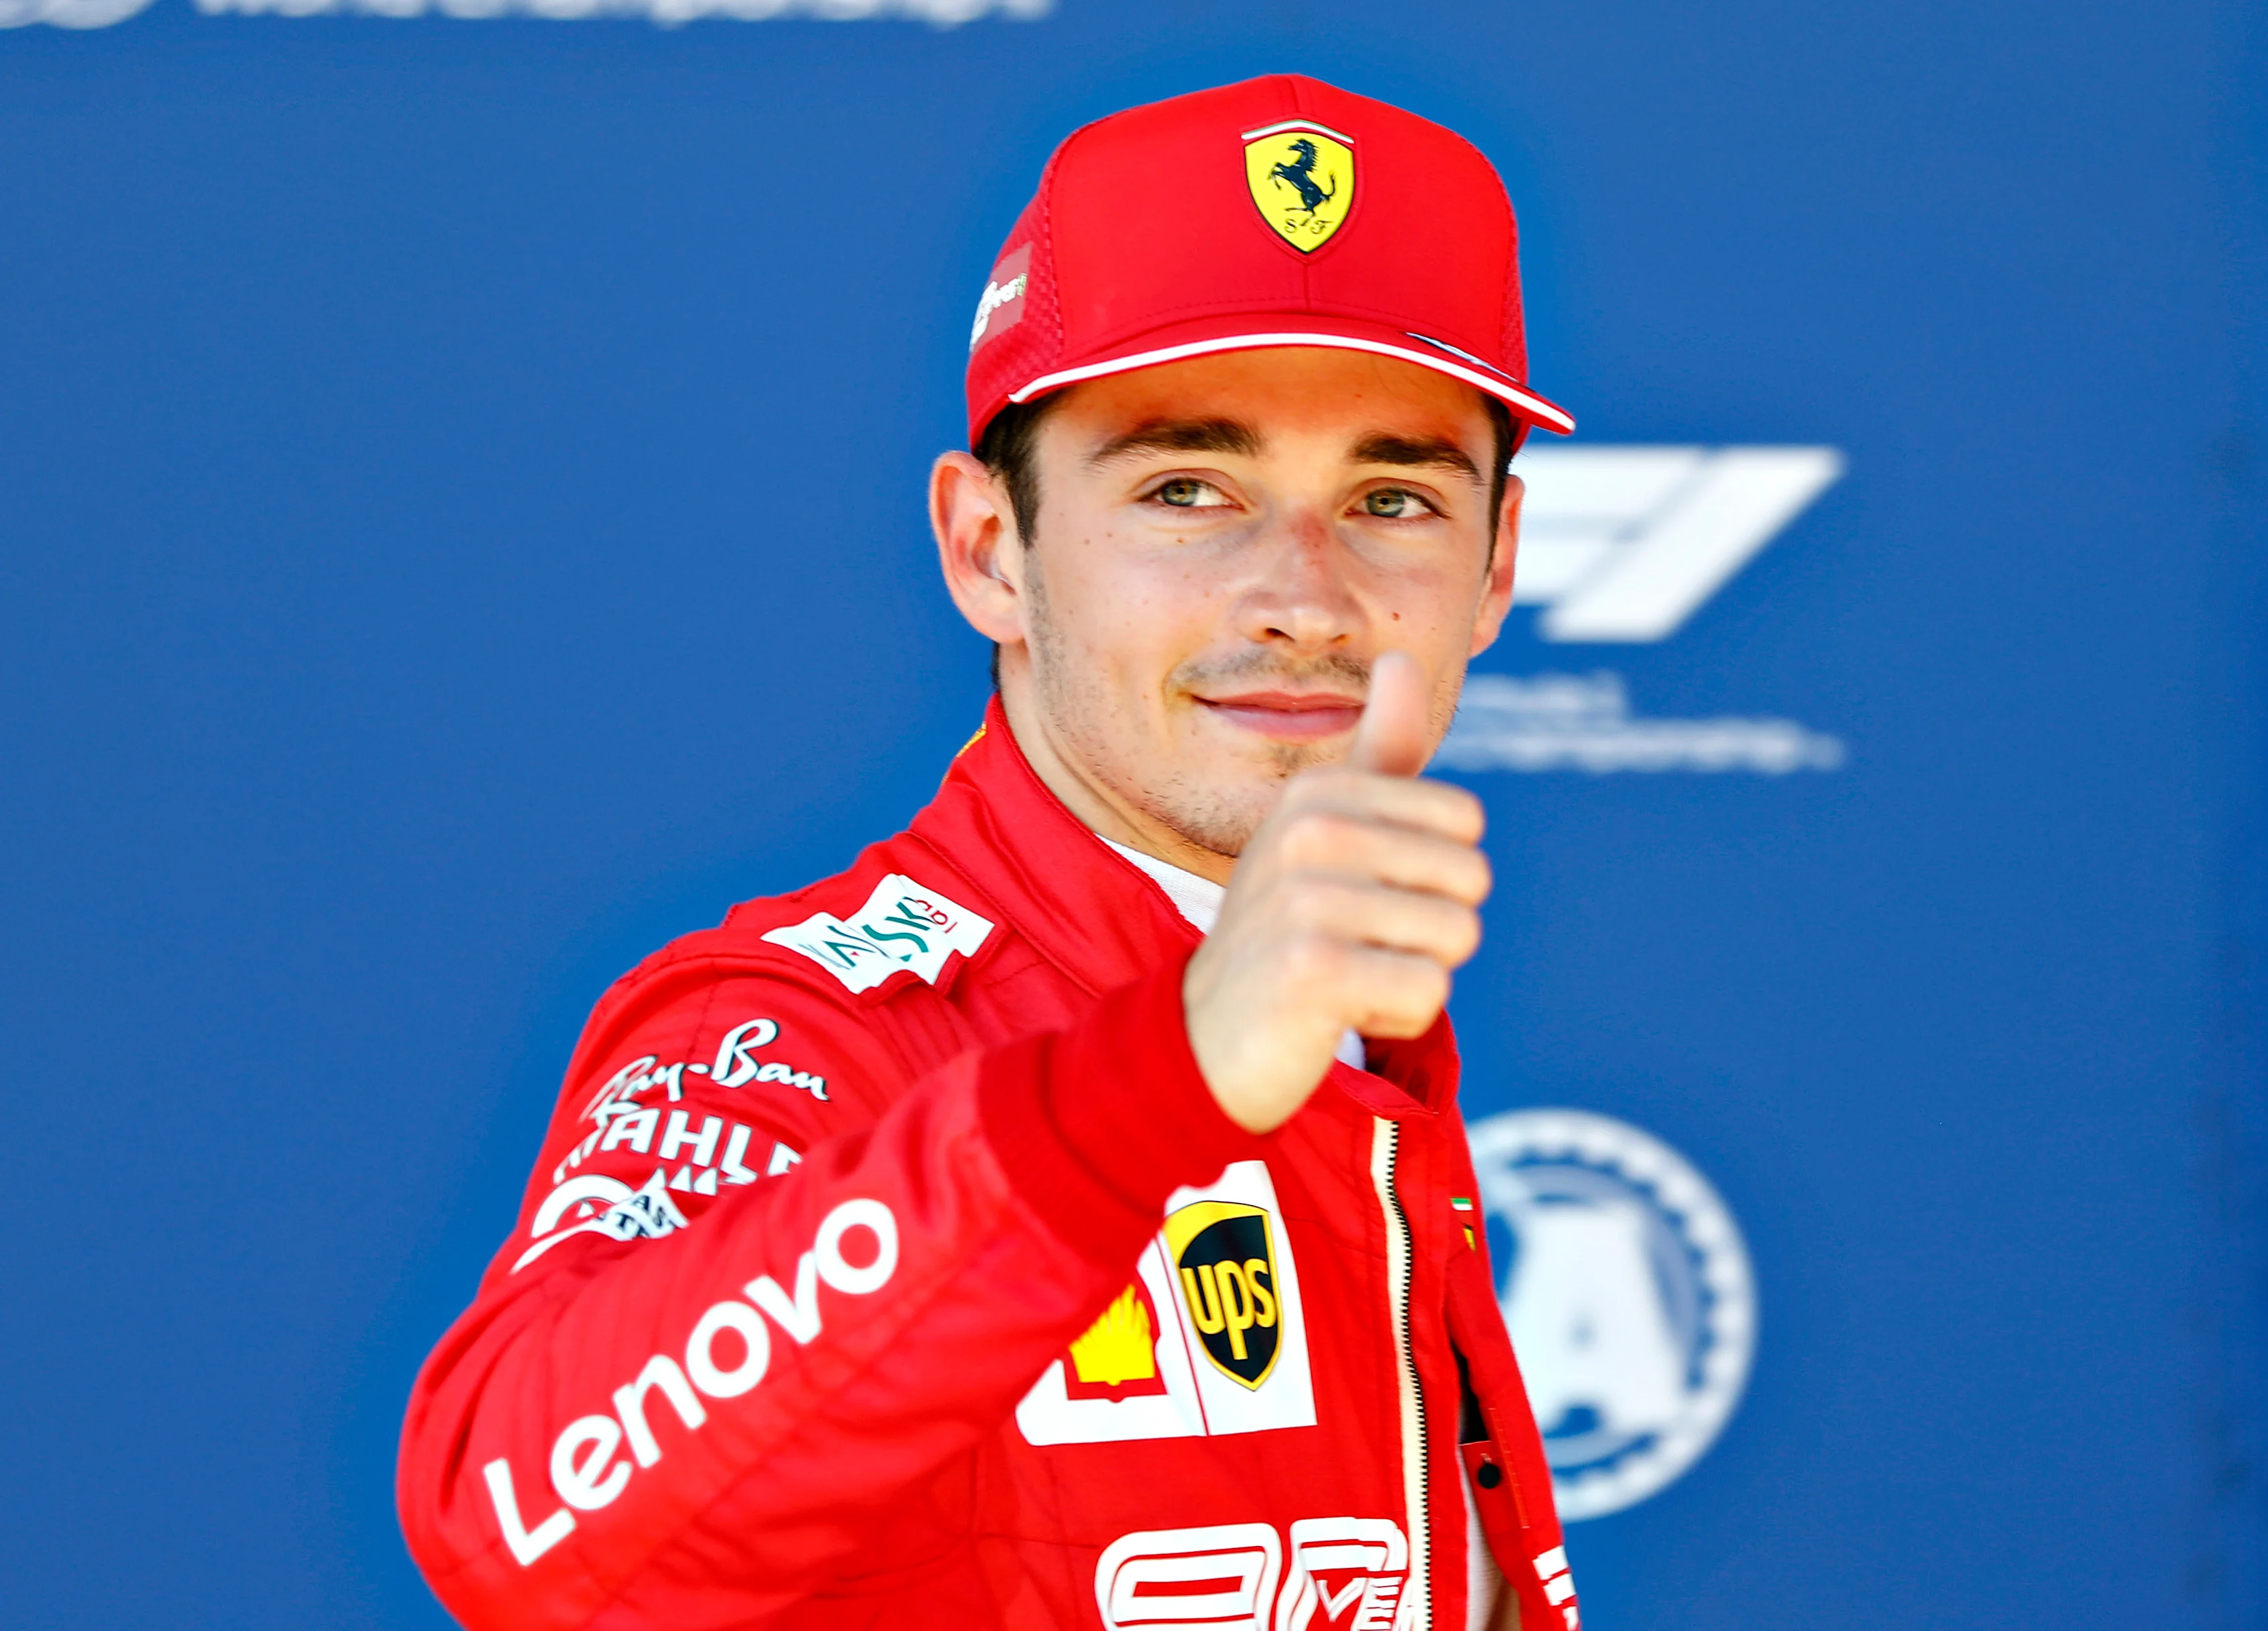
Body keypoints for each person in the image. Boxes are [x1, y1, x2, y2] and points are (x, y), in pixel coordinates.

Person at [399, 74, 1583, 1631]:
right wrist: (1163, 1079)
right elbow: (522, 1531)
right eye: (1185, 488)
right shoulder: (804, 1030)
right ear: (988, 551)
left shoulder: (1371, 1041)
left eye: (1392, 497)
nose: (1303, 596)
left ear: (1495, 567)